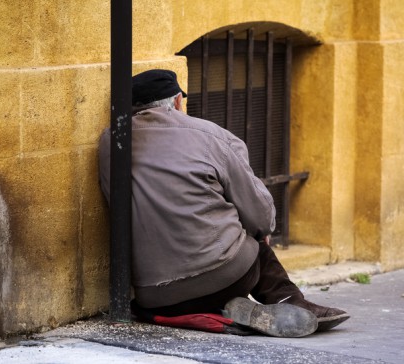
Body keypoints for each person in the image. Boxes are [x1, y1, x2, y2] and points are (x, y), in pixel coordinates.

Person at [98, 69, 349, 337]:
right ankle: (292, 303)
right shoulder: (211, 136)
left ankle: (224, 309)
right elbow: (261, 216)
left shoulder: (109, 142)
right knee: (257, 242)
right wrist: (259, 231)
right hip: (225, 278)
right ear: (178, 102)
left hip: (153, 295)